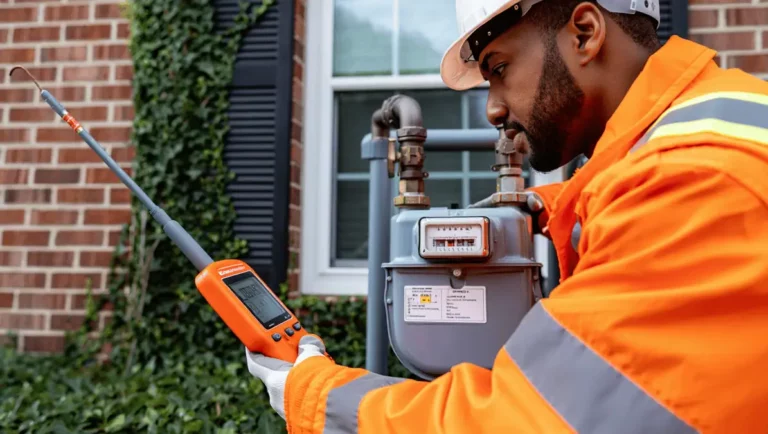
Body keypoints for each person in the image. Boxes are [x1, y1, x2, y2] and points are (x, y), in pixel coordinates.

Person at [245, 0, 768, 432]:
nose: (493, 108)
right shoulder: (717, 123)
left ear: (584, 33)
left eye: (498, 69)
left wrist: (315, 394)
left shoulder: (695, 182)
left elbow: (522, 420)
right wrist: (546, 209)